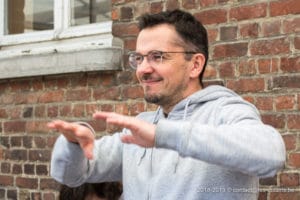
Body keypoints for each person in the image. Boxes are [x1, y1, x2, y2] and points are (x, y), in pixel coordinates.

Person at [48, 9, 286, 200]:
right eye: (139, 58)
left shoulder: (225, 111)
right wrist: (74, 144)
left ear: (195, 64)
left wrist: (164, 135)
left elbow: (272, 155)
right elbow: (72, 175)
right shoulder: (142, 125)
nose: (143, 69)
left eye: (157, 56)